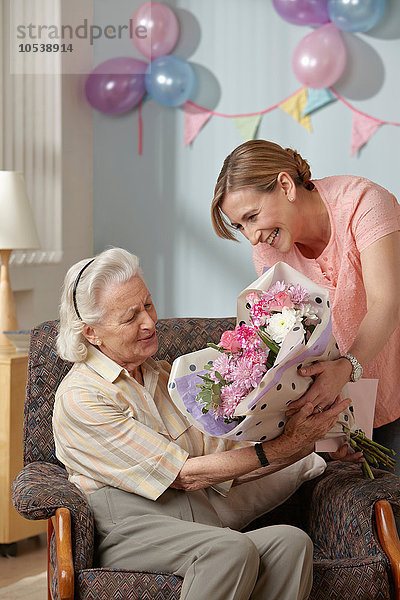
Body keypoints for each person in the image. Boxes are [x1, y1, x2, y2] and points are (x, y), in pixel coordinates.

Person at [53, 247, 349, 600]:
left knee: (291, 543)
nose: (149, 322)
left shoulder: (166, 377)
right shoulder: (82, 396)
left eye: (147, 305)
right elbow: (184, 474)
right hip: (129, 527)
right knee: (227, 551)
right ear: (91, 333)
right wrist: (284, 448)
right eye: (130, 316)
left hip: (197, 521)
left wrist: (319, 447)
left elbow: (228, 460)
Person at [211, 139, 400, 471]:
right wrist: (329, 440)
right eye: (241, 226)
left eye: (252, 216)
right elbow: (299, 347)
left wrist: (346, 367)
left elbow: (386, 302)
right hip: (360, 402)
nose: (252, 236)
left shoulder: (364, 203)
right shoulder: (269, 251)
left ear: (286, 186)